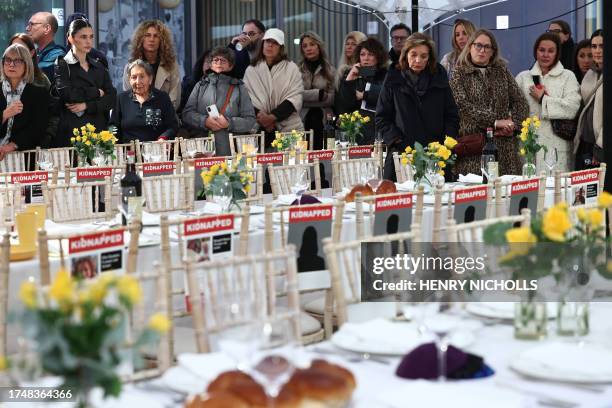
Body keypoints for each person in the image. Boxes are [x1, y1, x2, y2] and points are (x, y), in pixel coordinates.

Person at [376, 33, 459, 180]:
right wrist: (396, 140)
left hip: (435, 154)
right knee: (399, 199)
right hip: (402, 154)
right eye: (413, 54)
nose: (418, 60)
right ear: (405, 54)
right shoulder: (393, 75)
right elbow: (382, 117)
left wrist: (445, 144)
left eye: (423, 56)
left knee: (438, 200)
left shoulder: (439, 75)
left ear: (430, 58)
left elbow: (451, 115)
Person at [450, 29, 529, 176]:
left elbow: (521, 101)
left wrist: (513, 125)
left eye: (487, 47)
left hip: (504, 147)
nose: (482, 50)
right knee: (477, 193)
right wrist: (495, 122)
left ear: (493, 51)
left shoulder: (501, 71)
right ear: (470, 47)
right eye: (478, 45)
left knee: (506, 193)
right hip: (475, 147)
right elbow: (462, 105)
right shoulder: (459, 73)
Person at [515, 33, 581, 172]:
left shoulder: (567, 76)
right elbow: (513, 109)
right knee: (529, 190)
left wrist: (543, 99)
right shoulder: (523, 78)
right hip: (528, 146)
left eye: (551, 51)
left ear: (557, 53)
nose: (545, 54)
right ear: (535, 51)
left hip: (557, 146)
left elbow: (573, 107)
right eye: (541, 50)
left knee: (557, 190)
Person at [182, 47, 255, 156]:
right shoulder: (201, 85)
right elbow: (187, 114)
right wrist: (204, 121)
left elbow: (250, 120)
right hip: (203, 152)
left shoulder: (239, 87)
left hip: (231, 152)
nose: (219, 62)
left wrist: (229, 123)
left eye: (223, 60)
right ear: (211, 65)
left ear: (230, 66)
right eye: (216, 60)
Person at [54, 18, 116, 147]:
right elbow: (68, 94)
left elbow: (112, 98)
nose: (88, 41)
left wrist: (87, 105)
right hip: (73, 133)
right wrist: (96, 92)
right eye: (83, 37)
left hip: (98, 131)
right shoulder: (62, 64)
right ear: (70, 38)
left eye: (91, 37)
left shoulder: (99, 66)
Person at [244, 28, 304, 148]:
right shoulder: (251, 70)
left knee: (290, 163)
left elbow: (295, 97)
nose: (270, 45)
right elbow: (246, 98)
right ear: (263, 44)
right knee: (259, 164)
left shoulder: (291, 68)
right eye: (267, 41)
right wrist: (263, 119)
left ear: (281, 47)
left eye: (275, 43)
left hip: (288, 127)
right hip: (259, 128)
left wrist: (271, 117)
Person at [110, 60, 178, 143]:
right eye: (134, 77)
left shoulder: (162, 98)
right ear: (129, 80)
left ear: (150, 79)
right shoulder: (121, 99)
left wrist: (163, 138)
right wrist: (112, 140)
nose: (138, 82)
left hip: (155, 151)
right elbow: (113, 126)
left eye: (142, 76)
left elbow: (172, 126)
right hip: (129, 152)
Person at [335, 37, 388, 145]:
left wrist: (364, 95)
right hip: (356, 133)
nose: (366, 58)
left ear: (378, 57)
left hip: (378, 132)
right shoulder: (353, 74)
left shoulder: (386, 74)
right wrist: (350, 78)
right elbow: (343, 106)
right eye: (362, 54)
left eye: (371, 54)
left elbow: (387, 98)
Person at [0, 44, 49, 156]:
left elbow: (38, 129)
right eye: (8, 60)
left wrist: (13, 145)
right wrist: (5, 114)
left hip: (24, 156)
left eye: (17, 61)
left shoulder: (39, 93)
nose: (11, 64)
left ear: (27, 65)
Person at [122, 20, 181, 110]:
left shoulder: (171, 65)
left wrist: (156, 116)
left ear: (162, 40)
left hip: (165, 117)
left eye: (156, 36)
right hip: (137, 117)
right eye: (147, 35)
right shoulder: (130, 66)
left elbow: (174, 100)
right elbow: (128, 99)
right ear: (141, 39)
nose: (151, 39)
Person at [298, 31, 335, 150]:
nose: (309, 48)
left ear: (319, 46)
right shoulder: (296, 70)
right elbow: (295, 96)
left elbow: (331, 99)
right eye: (305, 46)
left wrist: (305, 98)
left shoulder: (330, 70)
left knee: (323, 161)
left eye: (312, 44)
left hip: (324, 122)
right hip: (302, 122)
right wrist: (319, 94)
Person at [574, 30, 603, 170]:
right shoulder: (590, 74)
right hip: (586, 143)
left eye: (602, 46)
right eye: (594, 46)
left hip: (602, 145)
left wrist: (600, 147)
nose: (597, 51)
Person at [26, 12, 65, 83]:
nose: (27, 28)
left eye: (31, 24)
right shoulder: (34, 53)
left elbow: (38, 72)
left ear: (47, 28)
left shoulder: (58, 55)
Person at [178, 49, 211, 115]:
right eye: (208, 61)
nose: (210, 66)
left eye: (214, 62)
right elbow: (181, 109)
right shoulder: (189, 84)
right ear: (202, 64)